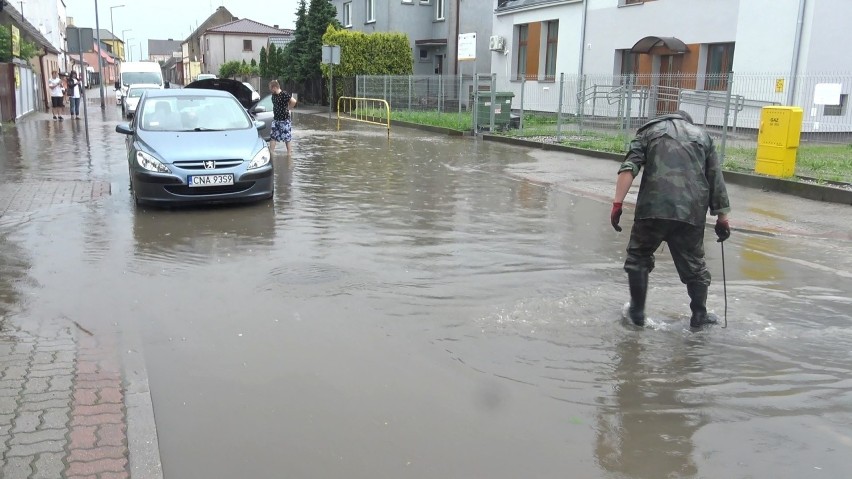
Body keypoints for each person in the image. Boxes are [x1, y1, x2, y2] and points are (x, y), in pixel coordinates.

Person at [610, 110, 731, 329]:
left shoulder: (649, 132)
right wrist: (722, 217)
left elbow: (629, 167)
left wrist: (617, 203)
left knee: (638, 258)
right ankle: (699, 316)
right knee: (695, 267)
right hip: (690, 212)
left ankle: (637, 313)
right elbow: (715, 178)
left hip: (652, 209)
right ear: (688, 121)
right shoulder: (703, 136)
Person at [268, 80, 297, 156]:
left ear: (274, 87)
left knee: (287, 137)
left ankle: (289, 154)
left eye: (271, 88)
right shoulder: (273, 95)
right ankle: (271, 153)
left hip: (284, 120)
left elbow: (294, 101)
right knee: (273, 136)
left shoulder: (284, 94)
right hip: (276, 120)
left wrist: (289, 108)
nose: (270, 90)